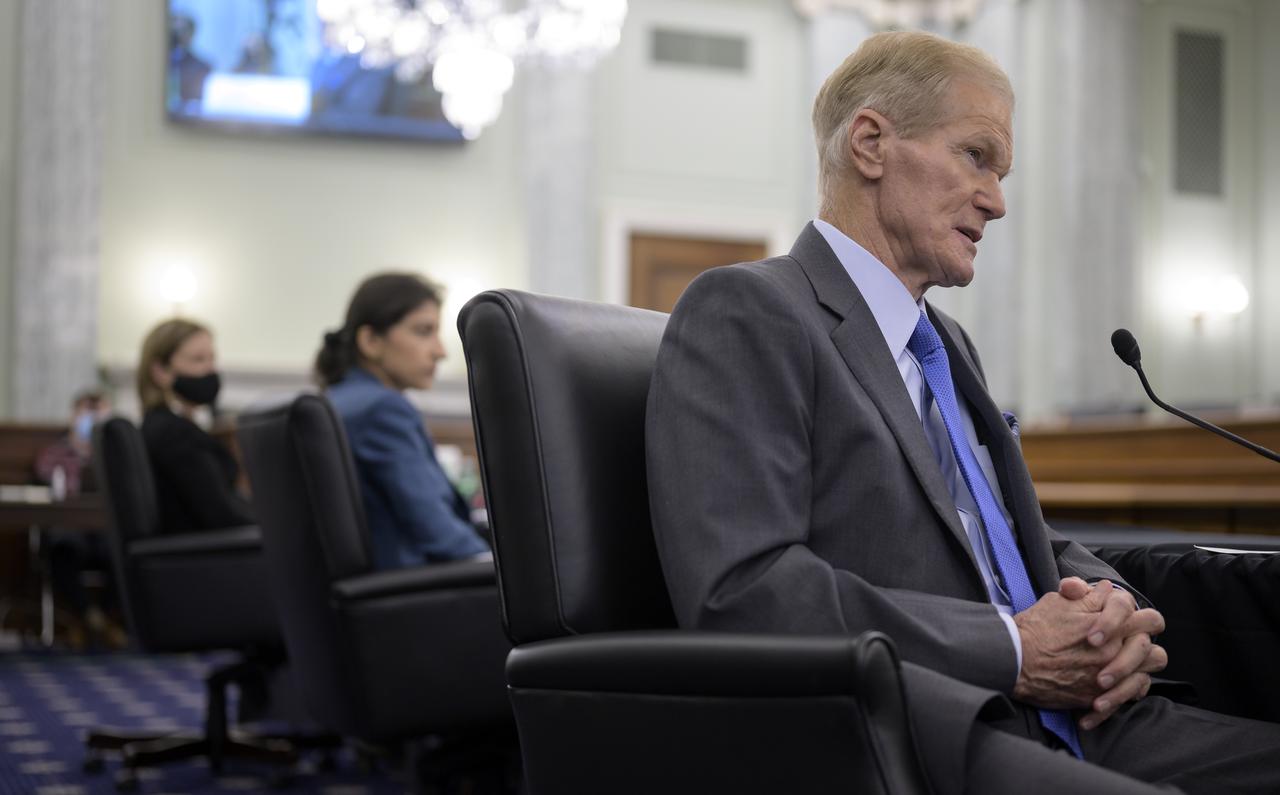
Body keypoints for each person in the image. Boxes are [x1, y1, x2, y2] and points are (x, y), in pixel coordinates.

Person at [645, 30, 1280, 795]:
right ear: (872, 144)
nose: (998, 201)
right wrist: (1011, 648)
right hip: (929, 729)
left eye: (1002, 172)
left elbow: (1017, 536)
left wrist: (1118, 614)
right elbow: (743, 592)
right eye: (976, 157)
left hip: (1085, 718)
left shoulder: (946, 343)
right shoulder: (750, 312)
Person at [315, 272, 490, 570]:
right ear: (371, 341)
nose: (440, 351)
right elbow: (437, 531)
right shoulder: (382, 410)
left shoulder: (335, 399)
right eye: (424, 331)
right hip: (414, 593)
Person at [138, 319, 254, 533]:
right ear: (160, 371)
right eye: (199, 359)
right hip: (204, 556)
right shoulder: (172, 433)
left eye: (212, 358)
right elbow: (222, 516)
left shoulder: (166, 425)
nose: (211, 369)